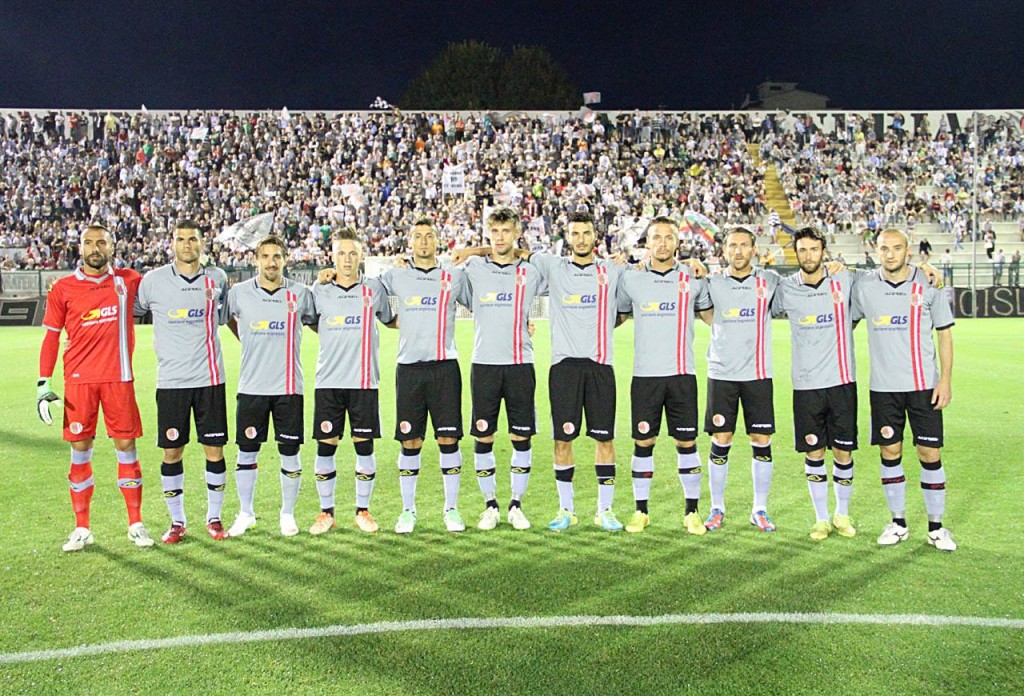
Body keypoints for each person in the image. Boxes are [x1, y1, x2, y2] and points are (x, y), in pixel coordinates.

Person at [37, 223, 154, 551]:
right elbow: (50, 337)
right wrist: (42, 382)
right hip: (79, 382)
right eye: (89, 242)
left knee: (126, 447)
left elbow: (164, 286)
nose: (94, 248)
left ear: (111, 247)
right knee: (79, 452)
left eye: (101, 242)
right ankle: (82, 528)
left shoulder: (128, 281)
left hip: (119, 378)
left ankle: (135, 523)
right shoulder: (62, 288)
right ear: (80, 248)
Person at [851, 229, 956, 551]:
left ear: (908, 251)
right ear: (876, 251)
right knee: (890, 452)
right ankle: (897, 522)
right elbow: (844, 315)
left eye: (897, 248)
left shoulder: (929, 284)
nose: (891, 254)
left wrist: (945, 381)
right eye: (884, 249)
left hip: (924, 386)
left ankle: (936, 527)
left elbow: (945, 335)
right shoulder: (865, 286)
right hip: (884, 389)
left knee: (930, 453)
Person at [528, 211, 630, 532]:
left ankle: (605, 510)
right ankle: (566, 510)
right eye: (575, 233)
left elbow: (623, 311)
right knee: (562, 440)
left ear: (595, 236)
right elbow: (516, 261)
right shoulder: (553, 267)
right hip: (564, 368)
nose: (581, 239)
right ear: (567, 237)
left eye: (586, 233)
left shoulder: (611, 270)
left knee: (606, 440)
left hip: (601, 367)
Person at [136, 220, 231, 543]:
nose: (187, 244)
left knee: (214, 451)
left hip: (210, 379)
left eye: (192, 239)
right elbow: (129, 311)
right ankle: (177, 522)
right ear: (172, 243)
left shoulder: (217, 278)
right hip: (172, 382)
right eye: (181, 239)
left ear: (202, 244)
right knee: (172, 452)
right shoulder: (153, 282)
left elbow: (228, 315)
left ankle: (214, 518)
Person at [616, 216, 712, 535]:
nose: (661, 243)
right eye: (655, 237)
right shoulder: (632, 279)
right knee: (644, 441)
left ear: (677, 243)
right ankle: (641, 511)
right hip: (645, 375)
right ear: (647, 243)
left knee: (687, 442)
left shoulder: (693, 278)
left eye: (668, 237)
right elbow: (616, 316)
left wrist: (706, 271)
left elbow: (712, 316)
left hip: (682, 374)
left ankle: (692, 511)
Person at [455, 208, 546, 530]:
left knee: (521, 436)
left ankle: (516, 505)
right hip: (485, 364)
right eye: (494, 231)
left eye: (506, 231)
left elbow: (551, 268)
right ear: (487, 234)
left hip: (521, 364)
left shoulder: (532, 272)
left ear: (517, 232)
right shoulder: (474, 269)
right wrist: (471, 252)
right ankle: (490, 505)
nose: (500, 237)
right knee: (485, 436)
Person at [379, 217, 470, 534]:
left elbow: (485, 300)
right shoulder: (396, 275)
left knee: (448, 438)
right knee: (410, 439)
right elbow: (369, 295)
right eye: (417, 236)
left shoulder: (453, 276)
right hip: (409, 369)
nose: (423, 241)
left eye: (429, 236)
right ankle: (408, 511)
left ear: (437, 241)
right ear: (410, 241)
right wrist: (390, 321)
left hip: (445, 367)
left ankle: (452, 509)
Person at [225, 235, 317, 538]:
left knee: (289, 453)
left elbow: (317, 322)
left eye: (277, 256)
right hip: (252, 386)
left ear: (285, 259)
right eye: (265, 256)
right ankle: (246, 513)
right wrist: (246, 338)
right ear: (256, 260)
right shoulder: (238, 293)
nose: (271, 262)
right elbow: (226, 319)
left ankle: (287, 513)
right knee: (247, 452)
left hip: (289, 387)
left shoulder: (301, 294)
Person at [772, 227, 858, 541]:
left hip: (841, 381)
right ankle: (821, 518)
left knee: (843, 453)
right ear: (796, 253)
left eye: (814, 249)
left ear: (824, 250)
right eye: (803, 250)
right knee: (815, 452)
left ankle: (842, 514)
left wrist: (928, 270)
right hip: (806, 385)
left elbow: (880, 277)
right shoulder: (785, 289)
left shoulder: (845, 280)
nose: (809, 255)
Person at [309, 227, 396, 535]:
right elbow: (308, 320)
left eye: (352, 253)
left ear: (361, 256)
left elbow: (391, 320)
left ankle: (363, 510)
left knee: (364, 447)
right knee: (326, 447)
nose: (346, 259)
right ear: (333, 256)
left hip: (363, 382)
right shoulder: (319, 290)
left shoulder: (373, 290)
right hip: (328, 382)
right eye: (341, 253)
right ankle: (326, 513)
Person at [701, 227, 782, 533]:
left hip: (758, 374)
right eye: (732, 245)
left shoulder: (770, 281)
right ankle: (716, 508)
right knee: (721, 439)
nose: (737, 250)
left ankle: (759, 509)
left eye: (744, 245)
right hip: (722, 373)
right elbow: (706, 315)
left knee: (761, 440)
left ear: (753, 249)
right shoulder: (713, 282)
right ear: (724, 250)